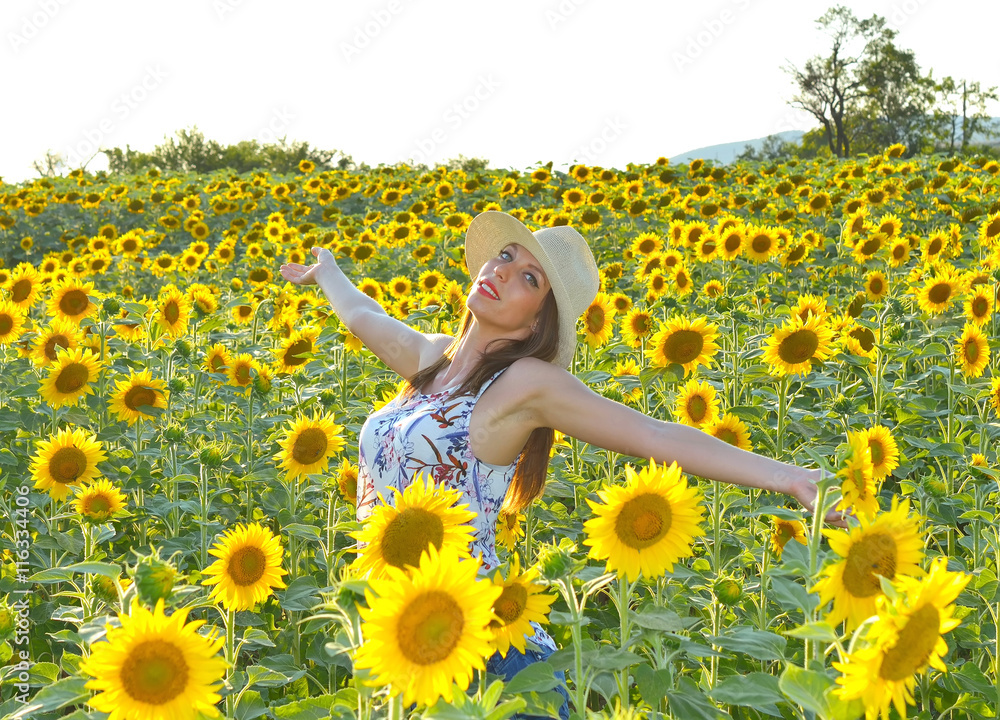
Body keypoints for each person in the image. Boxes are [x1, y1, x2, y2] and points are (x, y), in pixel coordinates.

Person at [279, 210, 840, 719]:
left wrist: (787, 476)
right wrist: (326, 272)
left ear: (535, 325)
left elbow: (650, 433)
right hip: (406, 638)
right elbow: (361, 314)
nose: (504, 271)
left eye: (529, 278)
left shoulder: (524, 384)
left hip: (493, 656)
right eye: (506, 257)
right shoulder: (431, 360)